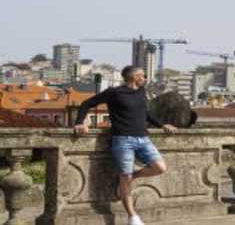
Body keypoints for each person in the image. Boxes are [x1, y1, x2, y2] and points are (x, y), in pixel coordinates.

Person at [72, 65, 177, 225]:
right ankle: (132, 217)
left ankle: (128, 179)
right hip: (123, 140)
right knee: (125, 177)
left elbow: (146, 114)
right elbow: (86, 103)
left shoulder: (141, 92)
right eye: (142, 75)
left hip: (143, 139)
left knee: (160, 167)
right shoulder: (114, 92)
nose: (145, 78)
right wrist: (80, 123)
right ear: (134, 77)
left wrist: (163, 125)